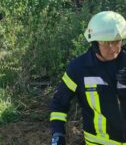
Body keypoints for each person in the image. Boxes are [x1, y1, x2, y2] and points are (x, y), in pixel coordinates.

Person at [50, 11, 126, 145]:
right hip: (99, 142)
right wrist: (58, 134)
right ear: (95, 43)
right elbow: (59, 103)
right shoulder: (78, 69)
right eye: (106, 42)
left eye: (116, 42)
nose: (113, 48)